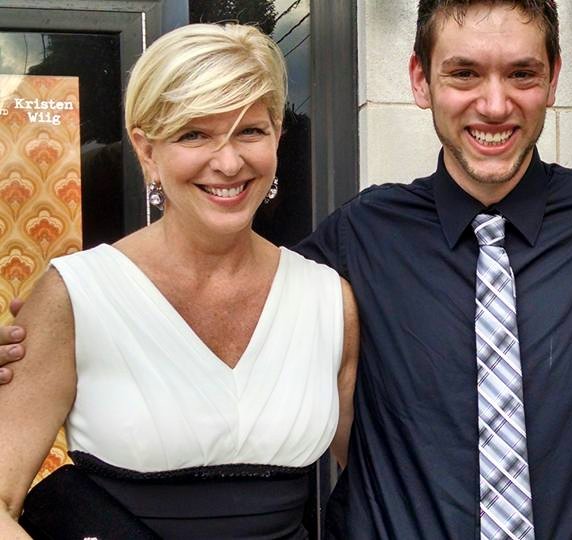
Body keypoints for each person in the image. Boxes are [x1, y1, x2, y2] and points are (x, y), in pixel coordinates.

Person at [0, 1, 572, 538]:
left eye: (522, 74)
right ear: (421, 81)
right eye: (464, 72)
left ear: (553, 80)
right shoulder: (356, 240)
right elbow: (209, 296)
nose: (495, 104)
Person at [0, 23, 358, 538]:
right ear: (147, 151)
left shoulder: (328, 301)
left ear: (278, 134)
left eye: (250, 131)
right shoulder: (76, 295)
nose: (229, 161)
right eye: (194, 134)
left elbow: (376, 485)